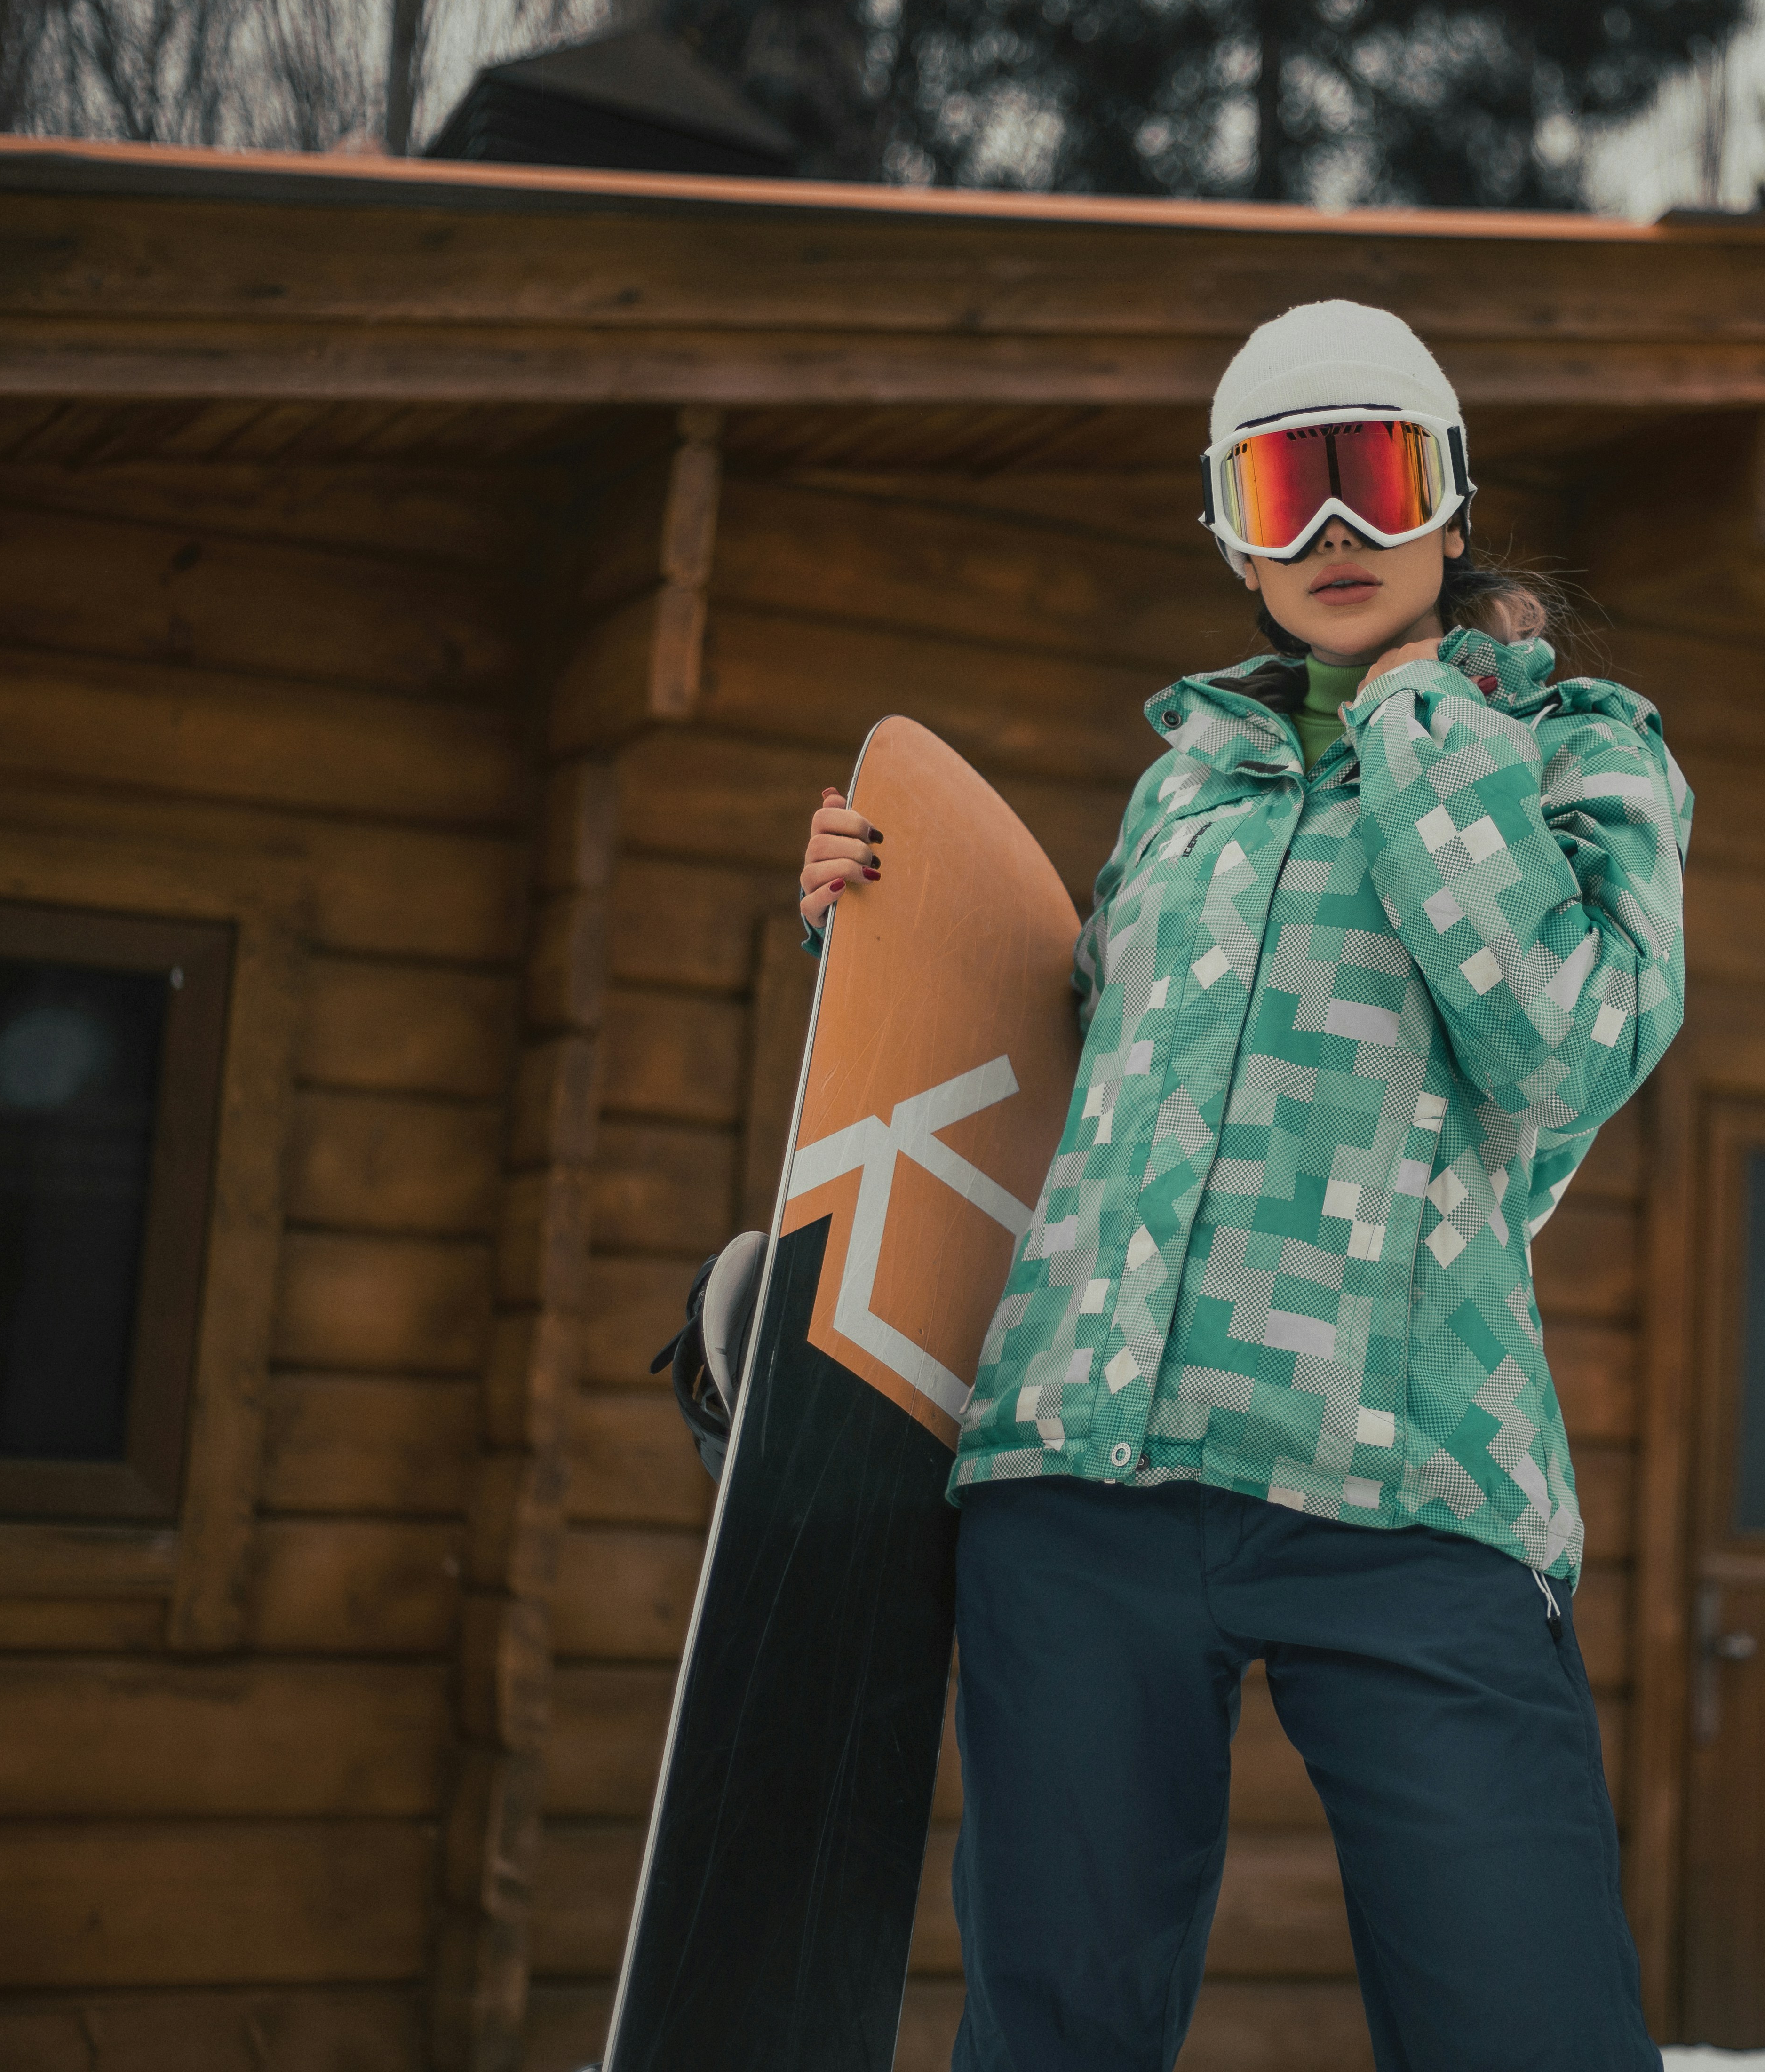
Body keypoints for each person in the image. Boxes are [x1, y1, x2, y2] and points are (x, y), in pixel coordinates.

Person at [683, 300, 1690, 2071]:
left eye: (1373, 478)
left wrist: (1417, 723)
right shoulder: (1183, 795)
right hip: (1081, 1483)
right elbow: (1071, 1103)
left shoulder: (1578, 760)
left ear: (1452, 501)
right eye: (1281, 489)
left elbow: (1563, 1042)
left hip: (1415, 1491)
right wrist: (883, 930)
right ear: (1225, 525)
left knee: (1524, 2023)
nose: (1333, 536)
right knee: (1054, 2028)